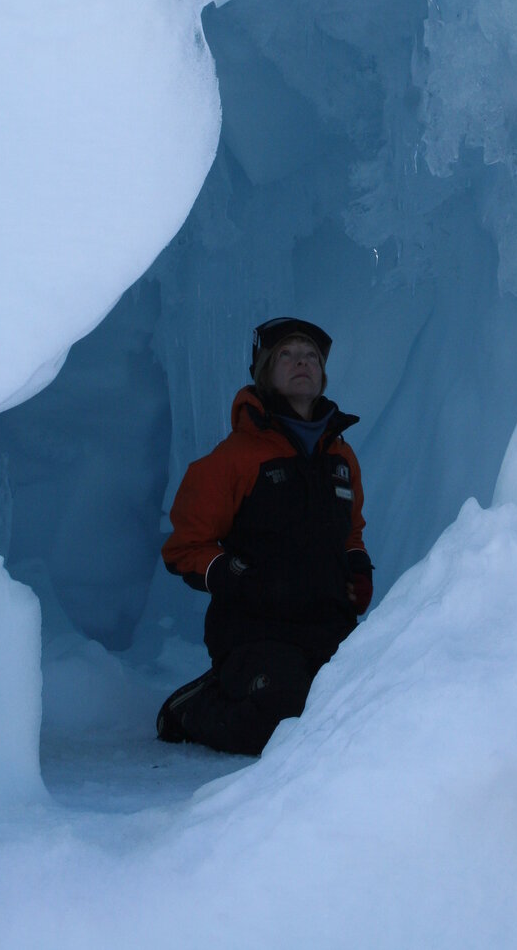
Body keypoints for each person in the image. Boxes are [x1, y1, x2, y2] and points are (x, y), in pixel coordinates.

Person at [156, 316, 373, 755]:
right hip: (256, 634)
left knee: (372, 705)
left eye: (311, 356)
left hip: (330, 628)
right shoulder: (236, 457)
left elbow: (352, 530)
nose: (302, 363)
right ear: (264, 371)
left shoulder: (341, 456)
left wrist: (357, 565)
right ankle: (192, 705)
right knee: (281, 715)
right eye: (287, 356)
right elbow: (184, 546)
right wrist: (226, 572)